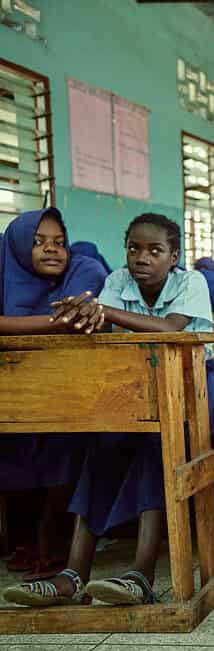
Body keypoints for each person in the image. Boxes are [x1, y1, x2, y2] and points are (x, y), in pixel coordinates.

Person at [3, 213, 214, 607]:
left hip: (202, 390)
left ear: (174, 256)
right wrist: (85, 314)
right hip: (140, 391)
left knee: (156, 447)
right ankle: (72, 574)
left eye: (155, 250)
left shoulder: (191, 282)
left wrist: (105, 312)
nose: (142, 258)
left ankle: (141, 574)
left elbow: (170, 330)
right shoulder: (117, 281)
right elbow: (103, 334)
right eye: (134, 248)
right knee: (101, 447)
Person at [0, 209, 107, 581]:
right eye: (39, 242)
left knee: (66, 441)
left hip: (71, 392)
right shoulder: (4, 274)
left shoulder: (84, 270)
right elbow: (66, 320)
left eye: (59, 242)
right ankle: (23, 539)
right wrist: (55, 322)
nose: (52, 250)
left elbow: (82, 314)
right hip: (13, 393)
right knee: (13, 439)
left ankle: (52, 538)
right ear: (16, 246)